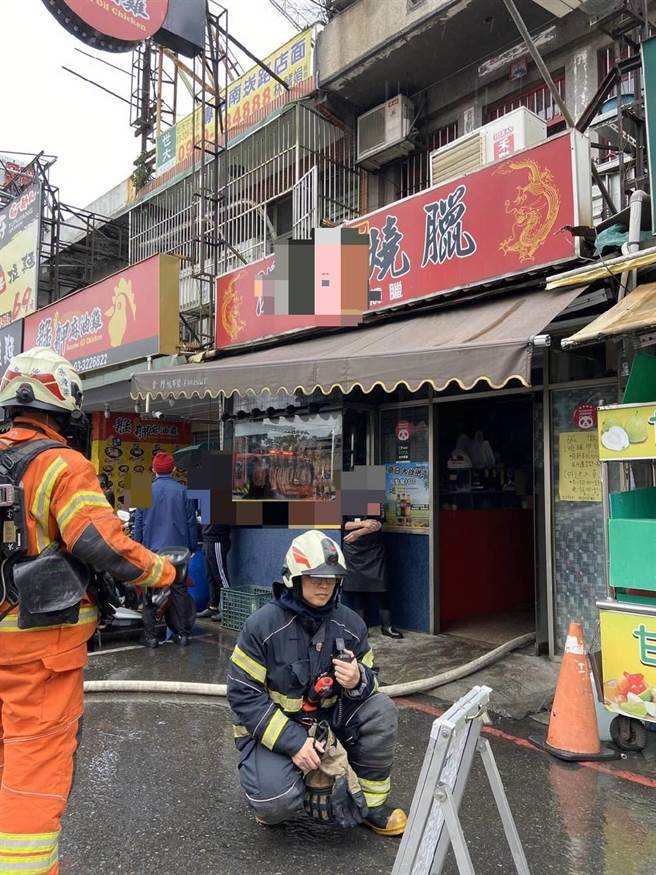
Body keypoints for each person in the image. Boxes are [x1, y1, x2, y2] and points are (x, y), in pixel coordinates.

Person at [0, 346, 178, 875]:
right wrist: (164, 573)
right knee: (33, 769)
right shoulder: (61, 464)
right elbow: (101, 543)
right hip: (39, 652)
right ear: (63, 405)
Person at [227, 530, 407, 836]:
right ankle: (291, 793)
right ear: (293, 579)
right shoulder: (261, 627)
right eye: (314, 577)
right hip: (275, 731)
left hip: (327, 724)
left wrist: (358, 679)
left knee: (382, 709)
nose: (324, 585)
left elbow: (370, 679)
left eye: (331, 577)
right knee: (274, 802)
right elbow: (244, 696)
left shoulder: (351, 624)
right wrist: (294, 743)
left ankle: (371, 807)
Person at [133, 452, 198, 647]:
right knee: (179, 592)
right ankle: (183, 635)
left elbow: (138, 523)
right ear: (174, 470)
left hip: (153, 552)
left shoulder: (142, 489)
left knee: (150, 592)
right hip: (179, 552)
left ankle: (151, 637)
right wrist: (192, 547)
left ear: (153, 470)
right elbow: (191, 522)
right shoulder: (183, 490)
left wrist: (138, 548)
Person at [342, 515, 403, 639]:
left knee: (382, 587)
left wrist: (359, 532)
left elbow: (377, 524)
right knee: (358, 589)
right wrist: (364, 523)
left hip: (374, 548)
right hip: (353, 550)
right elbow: (343, 524)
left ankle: (387, 627)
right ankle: (361, 629)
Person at [198, 524, 231, 620]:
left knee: (221, 576)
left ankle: (229, 610)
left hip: (217, 539)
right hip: (207, 539)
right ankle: (213, 607)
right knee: (210, 576)